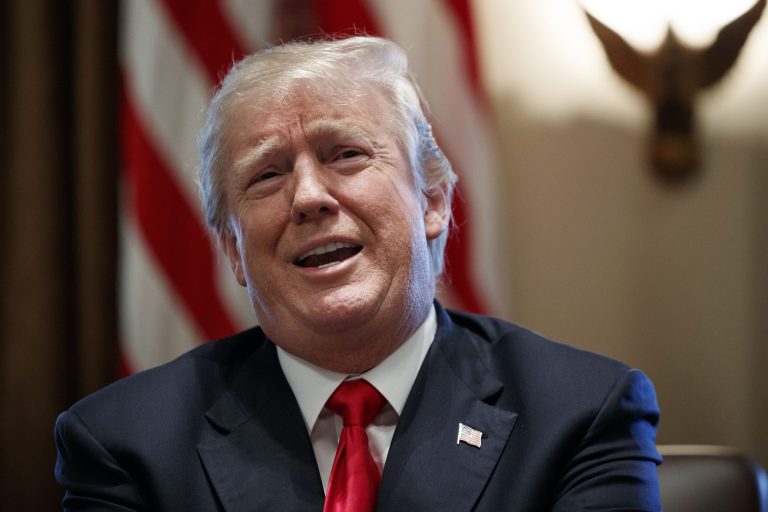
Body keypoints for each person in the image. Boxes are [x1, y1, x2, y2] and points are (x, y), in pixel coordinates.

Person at [54, 36, 662, 511]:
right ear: (234, 251)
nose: (308, 197)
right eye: (267, 175)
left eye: (345, 154)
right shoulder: (124, 442)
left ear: (431, 201)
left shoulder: (580, 413)